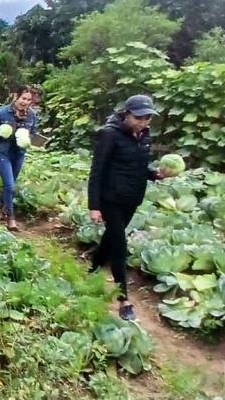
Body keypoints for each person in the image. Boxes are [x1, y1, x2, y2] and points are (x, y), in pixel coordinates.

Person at [88, 94, 168, 321]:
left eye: (148, 118)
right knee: (120, 248)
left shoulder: (144, 135)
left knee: (113, 237)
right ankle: (123, 299)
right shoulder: (109, 134)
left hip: (132, 198)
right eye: (139, 117)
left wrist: (154, 174)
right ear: (126, 114)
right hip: (110, 198)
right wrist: (94, 206)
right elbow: (97, 172)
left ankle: (93, 267)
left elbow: (139, 166)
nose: (144, 122)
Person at [0, 85, 38, 231]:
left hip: (19, 154)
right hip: (2, 152)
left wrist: (27, 138)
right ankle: (10, 217)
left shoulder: (32, 115)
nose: (25, 102)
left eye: (28, 100)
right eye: (23, 98)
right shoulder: (2, 112)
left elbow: (34, 133)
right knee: (9, 185)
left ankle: (0, 208)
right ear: (16, 96)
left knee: (10, 185)